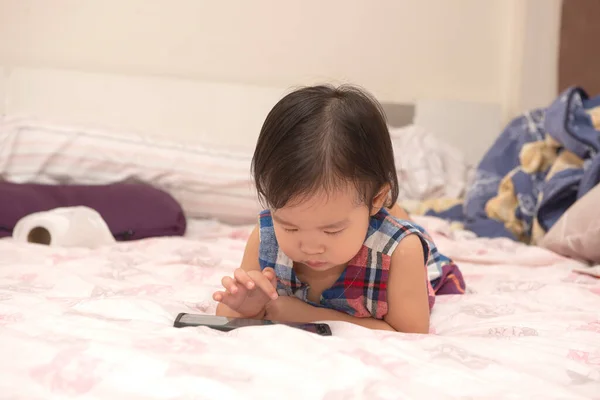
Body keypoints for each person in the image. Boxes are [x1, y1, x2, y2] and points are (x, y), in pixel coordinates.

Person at [213, 85, 465, 333]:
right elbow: (228, 314)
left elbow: (410, 334)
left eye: (332, 230)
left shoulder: (401, 251)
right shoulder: (266, 237)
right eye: (290, 226)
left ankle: (395, 213)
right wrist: (248, 308)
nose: (310, 247)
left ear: (377, 198)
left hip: (405, 253)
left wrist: (307, 315)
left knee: (411, 236)